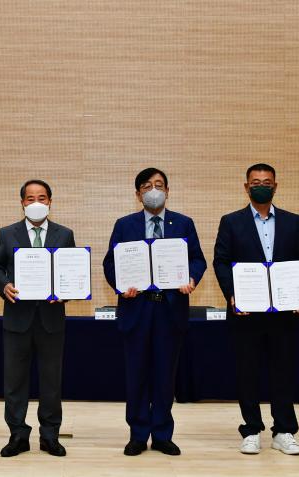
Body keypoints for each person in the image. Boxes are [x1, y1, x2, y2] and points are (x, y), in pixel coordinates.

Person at [102, 167, 207, 456]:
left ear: (168, 191)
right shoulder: (124, 225)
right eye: (147, 186)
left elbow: (197, 259)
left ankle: (162, 434)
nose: (154, 190)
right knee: (136, 374)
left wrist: (191, 278)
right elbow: (110, 263)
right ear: (138, 194)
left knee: (164, 375)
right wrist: (121, 285)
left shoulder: (183, 223)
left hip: (170, 309)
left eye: (159, 185)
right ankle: (137, 434)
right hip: (136, 308)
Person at [213, 163, 299, 455]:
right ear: (246, 187)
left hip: (283, 313)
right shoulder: (231, 221)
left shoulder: (292, 221)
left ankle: (284, 431)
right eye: (255, 182)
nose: (261, 186)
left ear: (275, 186)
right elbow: (221, 261)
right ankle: (251, 429)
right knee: (247, 373)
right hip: (246, 313)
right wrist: (232, 294)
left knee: (284, 372)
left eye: (267, 182)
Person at [0, 179, 75, 457]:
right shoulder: (7, 233)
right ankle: (17, 435)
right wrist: (4, 285)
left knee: (51, 381)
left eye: (42, 198)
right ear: (22, 203)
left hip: (51, 319)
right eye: (30, 198)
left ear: (50, 201)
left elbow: (71, 272)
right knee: (14, 382)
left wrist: (66, 292)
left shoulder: (65, 234)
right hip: (17, 319)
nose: (36, 202)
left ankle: (50, 436)